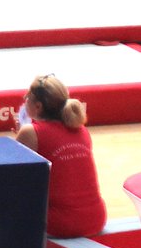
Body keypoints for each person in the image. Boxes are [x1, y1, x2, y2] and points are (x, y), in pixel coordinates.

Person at [13, 74, 107, 239]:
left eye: (27, 97)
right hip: (96, 218)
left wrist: (20, 136)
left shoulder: (31, 132)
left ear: (38, 106)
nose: (24, 100)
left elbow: (14, 177)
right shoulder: (81, 129)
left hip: (60, 223)